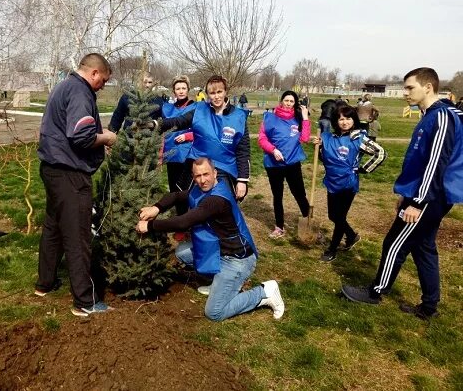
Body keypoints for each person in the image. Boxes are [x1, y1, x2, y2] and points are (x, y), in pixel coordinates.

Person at [342, 68, 463, 320]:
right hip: (426, 194)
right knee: (424, 248)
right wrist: (408, 194)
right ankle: (429, 306)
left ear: (428, 87)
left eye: (410, 88)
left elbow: (436, 163)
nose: (405, 93)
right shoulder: (432, 114)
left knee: (395, 243)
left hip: (431, 196)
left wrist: (417, 202)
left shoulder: (442, 116)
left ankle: (375, 293)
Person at [135, 158, 285, 321]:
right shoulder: (200, 190)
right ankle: (218, 283)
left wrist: (149, 226)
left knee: (214, 312)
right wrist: (157, 207)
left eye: (206, 174)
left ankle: (265, 292)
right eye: (197, 176)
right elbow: (177, 196)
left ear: (215, 173)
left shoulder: (216, 200)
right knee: (182, 253)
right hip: (219, 251)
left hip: (237, 259)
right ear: (193, 177)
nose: (202, 180)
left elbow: (183, 222)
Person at [36, 53, 118, 317]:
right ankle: (85, 301)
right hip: (70, 175)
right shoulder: (80, 91)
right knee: (78, 236)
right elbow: (81, 135)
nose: (103, 86)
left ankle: (44, 283)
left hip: (51, 169)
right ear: (94, 73)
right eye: (103, 80)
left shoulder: (64, 86)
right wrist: (106, 138)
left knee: (53, 227)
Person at [156, 75, 250, 201]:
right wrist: (156, 124)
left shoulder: (239, 117)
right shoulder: (200, 110)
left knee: (221, 206)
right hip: (200, 168)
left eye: (219, 92)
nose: (216, 96)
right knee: (195, 206)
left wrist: (242, 180)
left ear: (225, 92)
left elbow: (243, 152)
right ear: (207, 94)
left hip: (225, 169)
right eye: (212, 93)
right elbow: (179, 121)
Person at [314, 105, 386, 262]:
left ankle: (332, 249)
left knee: (339, 217)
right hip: (332, 182)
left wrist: (364, 169)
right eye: (341, 119)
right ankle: (352, 235)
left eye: (348, 118)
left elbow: (380, 153)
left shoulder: (358, 138)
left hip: (348, 184)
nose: (345, 122)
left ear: (354, 120)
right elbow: (325, 159)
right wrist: (319, 148)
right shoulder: (330, 138)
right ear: (336, 121)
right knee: (333, 215)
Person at [258, 90, 311, 238]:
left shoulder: (297, 119)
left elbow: (305, 138)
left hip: (292, 164)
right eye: (286, 100)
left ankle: (309, 223)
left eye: (291, 101)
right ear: (281, 101)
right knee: (277, 195)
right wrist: (273, 150)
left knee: (299, 194)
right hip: (274, 165)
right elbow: (262, 139)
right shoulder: (269, 118)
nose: (288, 104)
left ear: (295, 104)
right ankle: (279, 226)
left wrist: (305, 118)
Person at [162, 75, 195, 235]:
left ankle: (191, 221)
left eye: (183, 88)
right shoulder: (168, 108)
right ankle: (180, 222)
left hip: (187, 154)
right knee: (174, 189)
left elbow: (202, 129)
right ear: (173, 91)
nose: (181, 91)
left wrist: (188, 136)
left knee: (186, 190)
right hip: (171, 154)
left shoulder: (196, 107)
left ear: (188, 90)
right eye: (178, 88)